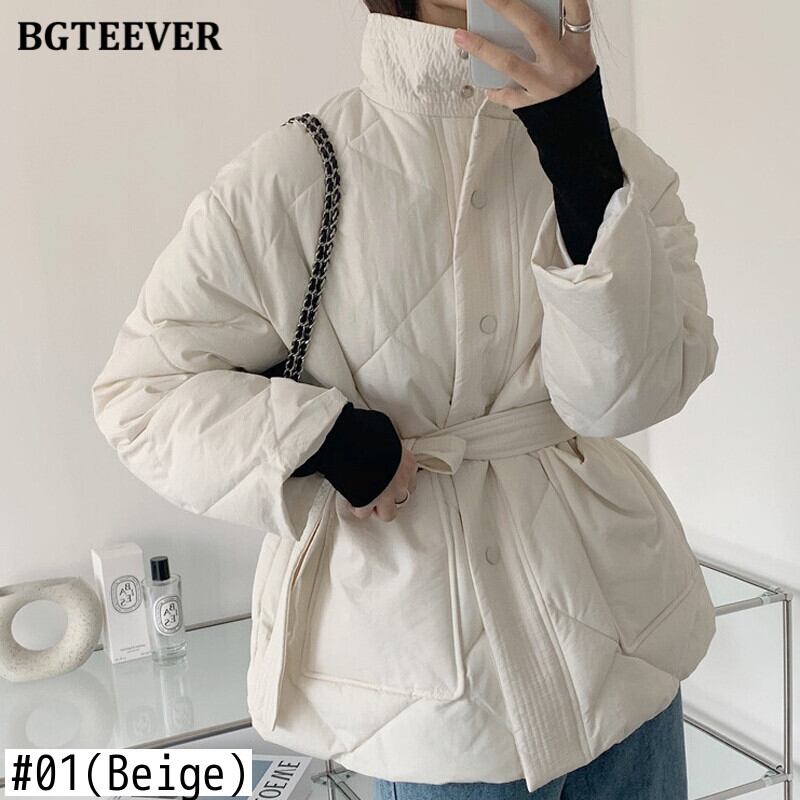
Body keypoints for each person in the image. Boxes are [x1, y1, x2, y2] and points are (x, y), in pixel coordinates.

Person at [91, 0, 720, 797]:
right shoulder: (296, 172)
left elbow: (627, 399)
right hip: (424, 698)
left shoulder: (620, 162)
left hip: (626, 652)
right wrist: (323, 439)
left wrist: (583, 163)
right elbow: (140, 396)